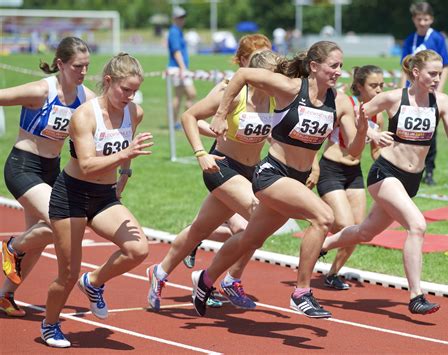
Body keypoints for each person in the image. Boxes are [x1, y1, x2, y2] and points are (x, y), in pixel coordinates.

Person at [191, 40, 368, 318]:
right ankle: (301, 293)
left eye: (341, 67)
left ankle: (206, 279)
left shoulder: (340, 101)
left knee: (251, 239)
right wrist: (222, 114)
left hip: (296, 181)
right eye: (333, 66)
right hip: (271, 174)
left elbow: (354, 151)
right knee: (323, 217)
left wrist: (363, 128)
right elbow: (242, 75)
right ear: (313, 67)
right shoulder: (290, 88)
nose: (338, 72)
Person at [320, 49, 448, 315]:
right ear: (416, 73)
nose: (437, 78)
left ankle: (321, 245)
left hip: (411, 180)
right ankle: (416, 296)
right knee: (417, 225)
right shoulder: (393, 98)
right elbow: (357, 114)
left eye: (440, 73)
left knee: (365, 233)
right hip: (385, 173)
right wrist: (373, 133)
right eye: (432, 73)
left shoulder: (441, 101)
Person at [146, 39, 278, 313]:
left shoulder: (276, 98)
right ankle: (226, 279)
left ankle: (159, 271)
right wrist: (200, 153)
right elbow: (189, 116)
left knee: (200, 229)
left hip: (250, 172)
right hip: (223, 167)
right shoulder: (231, 93)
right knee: (255, 222)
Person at [41, 53, 153, 348]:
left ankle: (94, 282)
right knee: (67, 273)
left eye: (134, 91)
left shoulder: (134, 113)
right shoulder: (84, 116)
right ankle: (50, 325)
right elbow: (88, 164)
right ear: (108, 82)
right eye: (124, 90)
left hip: (104, 196)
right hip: (71, 195)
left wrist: (124, 176)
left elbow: (129, 148)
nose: (129, 96)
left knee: (138, 249)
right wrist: (125, 155)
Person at [0, 37, 95, 317]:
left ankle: (5, 295)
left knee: (41, 241)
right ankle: (13, 246)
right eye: (78, 66)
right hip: (23, 167)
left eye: (87, 66)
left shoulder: (86, 98)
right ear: (60, 64)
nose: (83, 72)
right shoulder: (41, 91)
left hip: (52, 171)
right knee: (60, 223)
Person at [312, 65, 393, 290]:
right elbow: (320, 136)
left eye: (381, 86)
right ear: (359, 86)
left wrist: (392, 155)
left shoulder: (380, 115)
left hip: (354, 172)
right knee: (345, 224)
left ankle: (332, 273)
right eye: (373, 85)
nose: (379, 90)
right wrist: (313, 167)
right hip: (331, 168)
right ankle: (316, 245)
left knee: (359, 230)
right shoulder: (345, 104)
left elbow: (375, 152)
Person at [400, 1, 448, 185]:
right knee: (407, 128)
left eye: (426, 19)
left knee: (430, 131)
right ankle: (407, 167)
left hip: (430, 91)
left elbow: (445, 65)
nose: (423, 22)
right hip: (412, 92)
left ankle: (429, 171)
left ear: (432, 19)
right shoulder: (409, 40)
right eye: (419, 19)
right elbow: (404, 67)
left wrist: (439, 89)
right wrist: (401, 90)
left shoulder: (437, 38)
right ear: (414, 19)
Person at [168, 6, 196, 130]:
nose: (182, 19)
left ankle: (175, 122)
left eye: (183, 17)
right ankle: (187, 120)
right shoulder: (174, 32)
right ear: (174, 18)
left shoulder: (178, 31)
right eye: (179, 17)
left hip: (179, 68)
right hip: (178, 68)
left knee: (178, 97)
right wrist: (183, 68)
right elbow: (176, 51)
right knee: (191, 93)